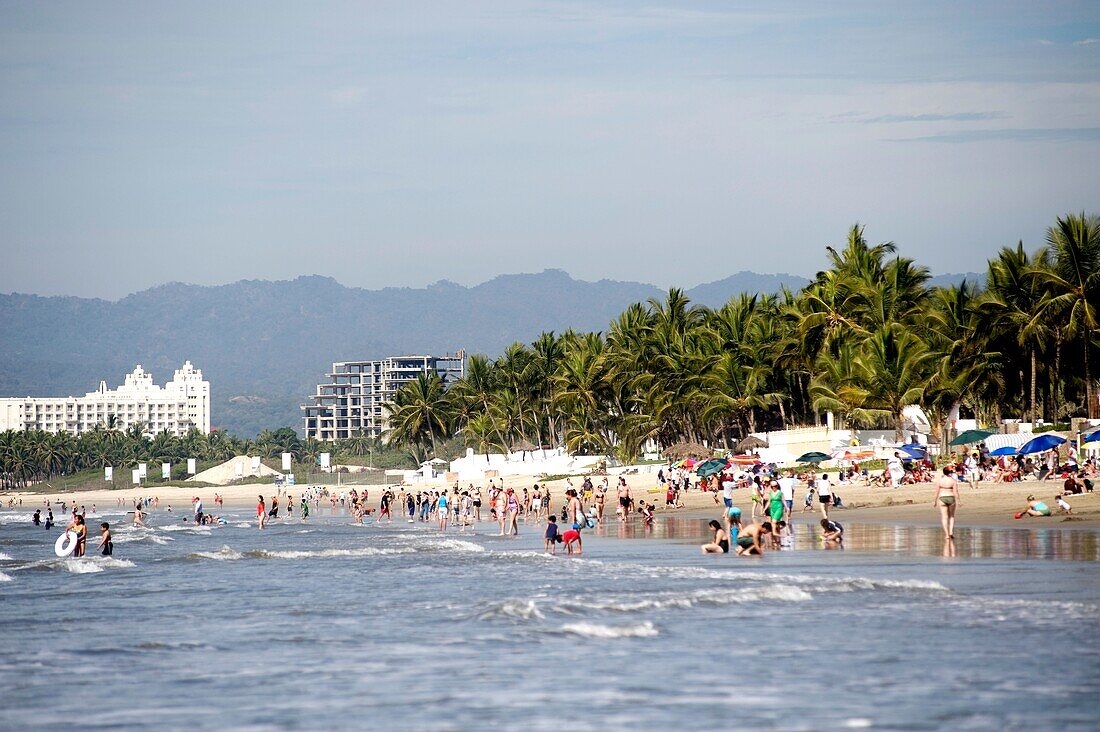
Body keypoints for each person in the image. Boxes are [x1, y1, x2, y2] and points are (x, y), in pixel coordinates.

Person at [933, 466, 960, 538]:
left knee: (944, 517)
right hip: (951, 497)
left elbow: (936, 492)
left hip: (942, 498)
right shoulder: (953, 481)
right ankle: (951, 532)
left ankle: (947, 534)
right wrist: (959, 501)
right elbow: (955, 491)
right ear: (949, 473)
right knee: (951, 516)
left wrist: (934, 501)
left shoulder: (940, 481)